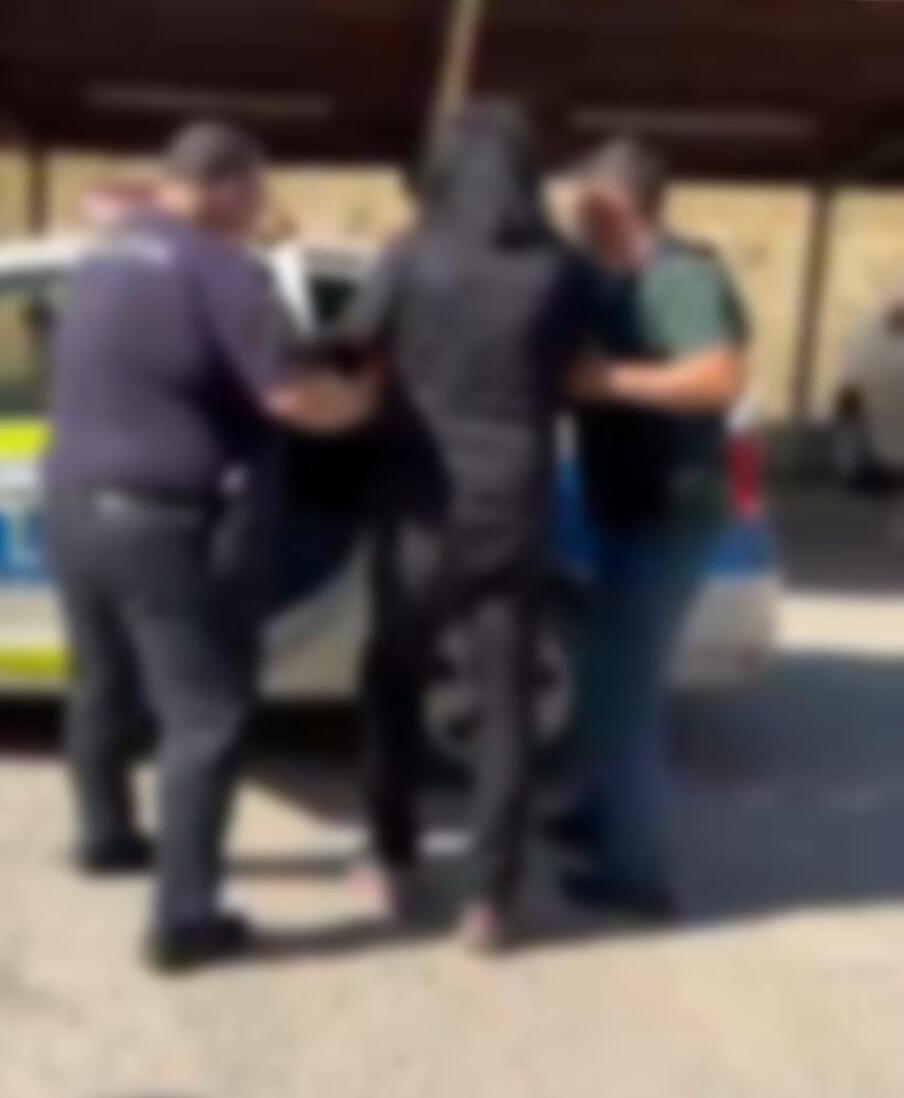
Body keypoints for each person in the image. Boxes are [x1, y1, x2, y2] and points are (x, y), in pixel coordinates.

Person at [43, 120, 380, 972]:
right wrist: (368, 402)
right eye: (256, 194)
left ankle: (104, 837)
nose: (259, 210)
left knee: (102, 684)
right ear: (230, 190)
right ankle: (185, 920)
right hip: (160, 525)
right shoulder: (223, 270)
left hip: (71, 510)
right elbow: (292, 399)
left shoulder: (103, 258)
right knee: (204, 719)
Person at [335, 103, 595, 952]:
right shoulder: (560, 266)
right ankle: (492, 898)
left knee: (393, 679)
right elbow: (577, 368)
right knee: (506, 699)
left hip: (418, 502)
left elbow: (350, 348)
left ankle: (392, 859)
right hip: (513, 501)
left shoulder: (410, 255)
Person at [557, 138, 749, 919]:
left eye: (584, 196)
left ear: (620, 202)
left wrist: (608, 381)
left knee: (629, 695)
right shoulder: (617, 278)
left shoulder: (682, 278)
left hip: (672, 511)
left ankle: (637, 875)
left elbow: (718, 378)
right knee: (603, 677)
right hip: (629, 506)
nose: (573, 208)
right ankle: (597, 815)